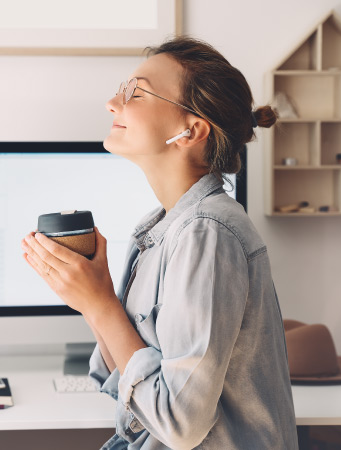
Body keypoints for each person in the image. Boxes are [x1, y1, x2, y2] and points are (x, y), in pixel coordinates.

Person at [21, 36, 298, 449]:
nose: (113, 102)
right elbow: (130, 382)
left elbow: (179, 425)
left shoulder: (208, 234)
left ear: (191, 129)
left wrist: (101, 303)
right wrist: (90, 301)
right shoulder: (160, 230)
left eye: (136, 92)